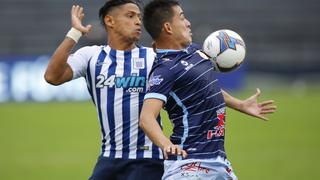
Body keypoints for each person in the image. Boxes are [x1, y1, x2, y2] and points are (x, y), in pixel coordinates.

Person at [140, 0, 277, 179]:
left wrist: (240, 105)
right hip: (189, 165)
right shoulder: (165, 70)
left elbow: (207, 87)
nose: (188, 23)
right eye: (182, 18)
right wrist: (166, 144)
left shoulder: (195, 51)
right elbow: (146, 118)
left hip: (219, 162)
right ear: (168, 27)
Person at [44, 0, 164, 179]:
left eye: (139, 17)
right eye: (130, 16)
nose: (138, 21)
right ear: (110, 21)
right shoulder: (91, 55)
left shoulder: (153, 57)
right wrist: (75, 33)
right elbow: (52, 77)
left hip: (147, 159)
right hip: (109, 158)